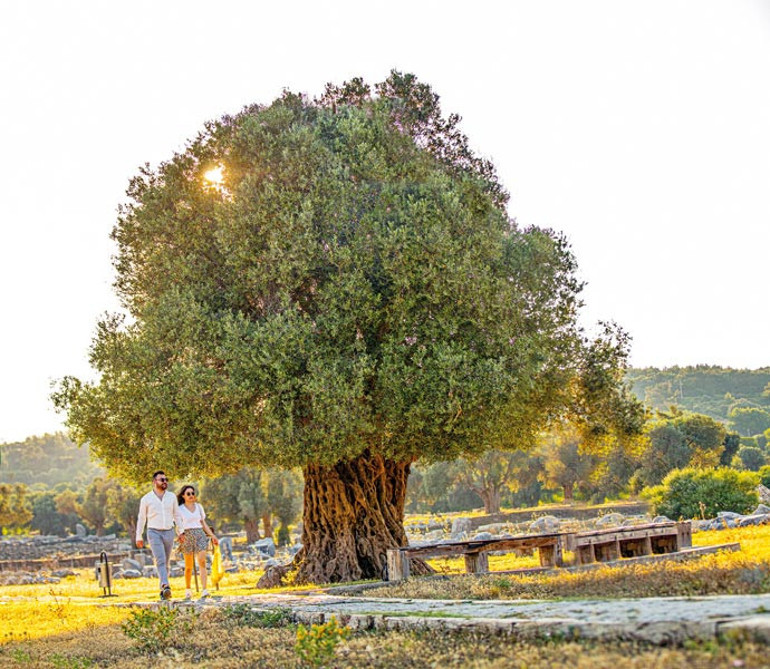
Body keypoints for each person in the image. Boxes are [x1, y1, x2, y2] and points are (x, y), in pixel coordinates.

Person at [136, 470, 184, 600]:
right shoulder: (146, 499)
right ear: (154, 482)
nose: (165, 482)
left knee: (166, 563)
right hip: (154, 532)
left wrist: (181, 531)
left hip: (169, 531)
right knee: (161, 560)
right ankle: (165, 584)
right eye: (162, 479)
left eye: (166, 479)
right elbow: (142, 518)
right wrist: (139, 536)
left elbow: (177, 515)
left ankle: (163, 590)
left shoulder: (171, 497)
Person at [176, 484, 219, 599]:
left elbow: (203, 523)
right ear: (183, 496)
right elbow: (178, 525)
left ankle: (204, 590)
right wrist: (180, 534)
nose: (191, 495)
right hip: (187, 535)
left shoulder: (199, 507)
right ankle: (188, 589)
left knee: (202, 561)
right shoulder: (179, 509)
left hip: (200, 534)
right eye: (188, 494)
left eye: (193, 493)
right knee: (189, 566)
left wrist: (212, 536)